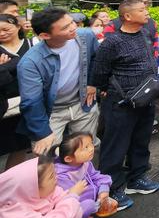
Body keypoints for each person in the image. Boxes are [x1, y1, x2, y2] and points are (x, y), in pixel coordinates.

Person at [89, 0, 159, 211]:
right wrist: (99, 87)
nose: (146, 12)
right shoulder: (113, 42)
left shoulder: (144, 36)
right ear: (127, 16)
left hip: (145, 99)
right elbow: (100, 70)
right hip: (121, 102)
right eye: (141, 10)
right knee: (115, 145)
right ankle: (112, 188)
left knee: (141, 140)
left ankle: (137, 177)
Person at [18, 8, 99, 155]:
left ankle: (87, 178)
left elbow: (97, 59)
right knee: (48, 157)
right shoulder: (30, 62)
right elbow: (31, 101)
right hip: (51, 113)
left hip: (82, 104)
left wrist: (92, 84)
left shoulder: (85, 36)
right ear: (45, 35)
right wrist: (42, 132)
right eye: (65, 27)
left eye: (72, 22)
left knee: (86, 151)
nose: (74, 27)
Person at [53, 132, 117, 218]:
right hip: (70, 206)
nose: (91, 149)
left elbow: (96, 176)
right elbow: (70, 198)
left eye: (91, 144)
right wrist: (96, 200)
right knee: (88, 205)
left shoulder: (84, 163)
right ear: (68, 158)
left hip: (85, 198)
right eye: (86, 147)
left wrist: (103, 190)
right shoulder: (60, 176)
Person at [0, 156, 84, 218]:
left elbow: (59, 194)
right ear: (32, 187)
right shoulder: (14, 217)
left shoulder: (33, 194)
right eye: (51, 176)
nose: (56, 177)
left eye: (55, 172)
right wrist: (72, 197)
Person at [0, 14, 32, 169]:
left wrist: (4, 67)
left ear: (17, 27)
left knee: (20, 146)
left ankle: (10, 181)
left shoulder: (32, 43)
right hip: (4, 105)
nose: (2, 33)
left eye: (6, 29)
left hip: (26, 103)